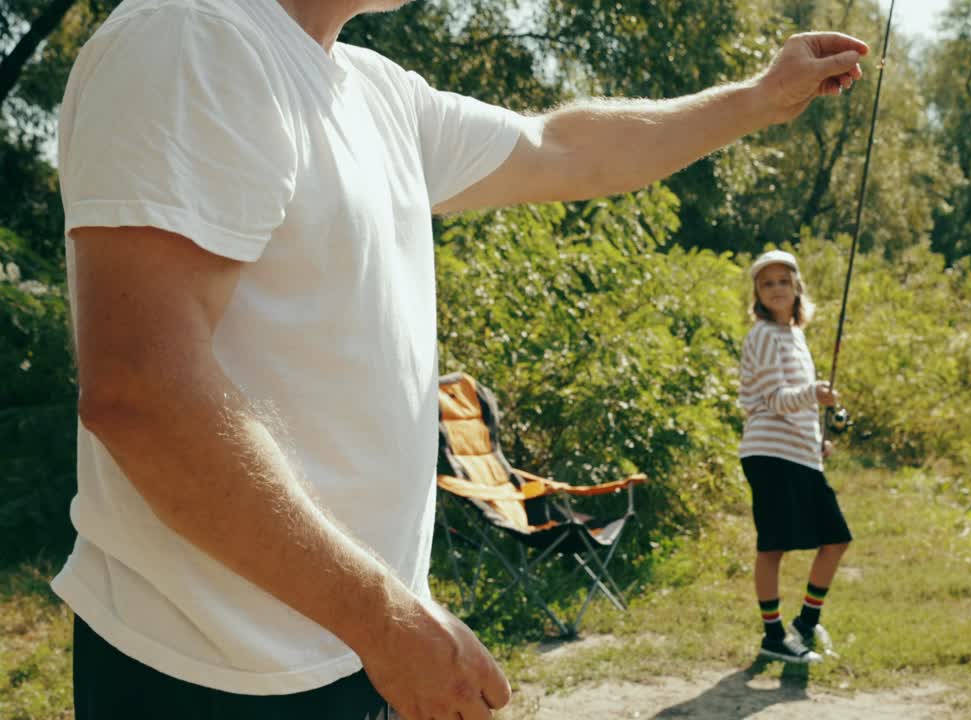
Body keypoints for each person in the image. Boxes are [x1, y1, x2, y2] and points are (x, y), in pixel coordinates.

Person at [53, 0, 870, 716]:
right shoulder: (192, 38)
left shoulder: (375, 91)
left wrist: (758, 99)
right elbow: (145, 395)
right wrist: (383, 620)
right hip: (216, 678)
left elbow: (561, 146)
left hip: (344, 651)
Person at [738, 249, 854, 664]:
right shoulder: (763, 335)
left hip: (799, 454)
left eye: (783, 281)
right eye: (767, 283)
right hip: (768, 454)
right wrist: (814, 395)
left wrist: (816, 440)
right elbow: (773, 399)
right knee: (773, 548)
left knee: (836, 538)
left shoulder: (794, 335)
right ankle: (773, 636)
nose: (776, 289)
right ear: (757, 293)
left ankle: (805, 624)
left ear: (796, 287)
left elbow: (796, 406)